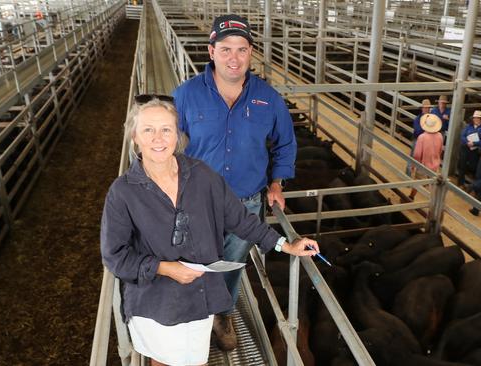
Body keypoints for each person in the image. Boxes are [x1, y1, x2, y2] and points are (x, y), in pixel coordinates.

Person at [100, 95, 319, 366]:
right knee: (165, 362)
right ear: (135, 136)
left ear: (177, 134)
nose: (158, 138)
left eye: (166, 129)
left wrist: (284, 244)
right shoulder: (122, 193)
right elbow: (115, 256)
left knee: (197, 360)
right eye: (148, 130)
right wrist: (165, 268)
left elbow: (240, 218)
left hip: (199, 294)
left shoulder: (201, 175)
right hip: (156, 303)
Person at [172, 14, 297, 350]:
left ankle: (223, 313)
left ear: (250, 53)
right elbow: (165, 140)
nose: (234, 57)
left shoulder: (268, 98)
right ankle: (193, 313)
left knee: (232, 264)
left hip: (246, 202)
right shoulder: (185, 95)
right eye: (226, 49)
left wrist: (277, 183)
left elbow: (285, 142)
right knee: (193, 259)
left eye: (241, 49)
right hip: (195, 200)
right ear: (211, 51)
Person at [408, 114, 443, 200]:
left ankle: (411, 197)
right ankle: (435, 203)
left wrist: (413, 165)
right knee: (433, 184)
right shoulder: (440, 136)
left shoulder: (422, 137)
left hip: (423, 165)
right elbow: (440, 150)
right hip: (435, 164)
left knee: (418, 182)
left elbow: (417, 154)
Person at [457, 110, 481, 187]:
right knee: (462, 164)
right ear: (473, 118)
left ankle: (472, 185)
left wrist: (474, 143)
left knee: (473, 166)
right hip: (465, 147)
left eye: (478, 118)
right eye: (475, 118)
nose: (476, 119)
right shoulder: (468, 126)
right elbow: (462, 136)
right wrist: (467, 142)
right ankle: (460, 183)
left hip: (475, 150)